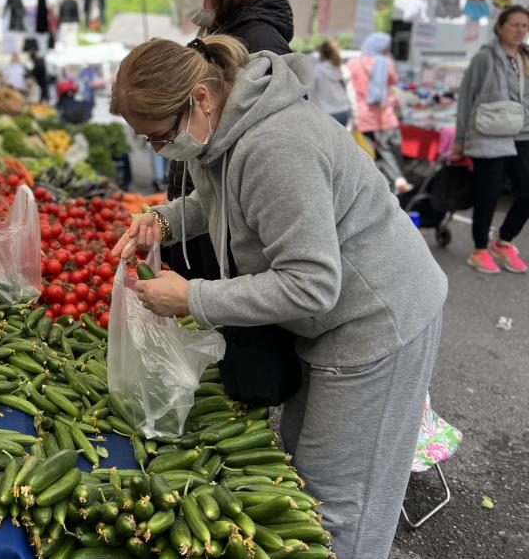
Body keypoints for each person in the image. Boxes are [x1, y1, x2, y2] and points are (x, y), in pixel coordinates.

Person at [109, 35, 445, 559]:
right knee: (301, 482)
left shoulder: (276, 146)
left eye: (157, 137)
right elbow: (222, 199)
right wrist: (165, 218)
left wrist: (193, 298)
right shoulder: (221, 129)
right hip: (325, 323)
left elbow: (311, 282)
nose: (157, 149)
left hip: (374, 322)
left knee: (339, 507)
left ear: (200, 97)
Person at [170, 0, 295, 281]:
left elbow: (267, 141)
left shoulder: (261, 42)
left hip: (239, 212)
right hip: (216, 201)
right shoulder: (218, 31)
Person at [452, 5, 529, 274]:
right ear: (500, 27)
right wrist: (460, 138)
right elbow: (466, 98)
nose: (520, 30)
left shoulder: (525, 57)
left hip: (521, 133)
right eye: (514, 24)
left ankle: (504, 241)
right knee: (488, 194)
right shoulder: (484, 58)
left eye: (524, 25)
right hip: (488, 134)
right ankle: (480, 249)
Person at [347, 32, 412, 193]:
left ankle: (369, 188)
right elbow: (393, 82)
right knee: (389, 152)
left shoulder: (352, 63)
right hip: (385, 116)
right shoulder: (386, 63)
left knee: (366, 155)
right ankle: (398, 180)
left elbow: (348, 88)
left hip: (362, 117)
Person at [310, 39, 356, 126]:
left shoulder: (317, 70)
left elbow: (311, 94)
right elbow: (351, 93)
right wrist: (355, 115)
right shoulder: (343, 69)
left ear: (322, 53)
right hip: (344, 112)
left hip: (326, 113)